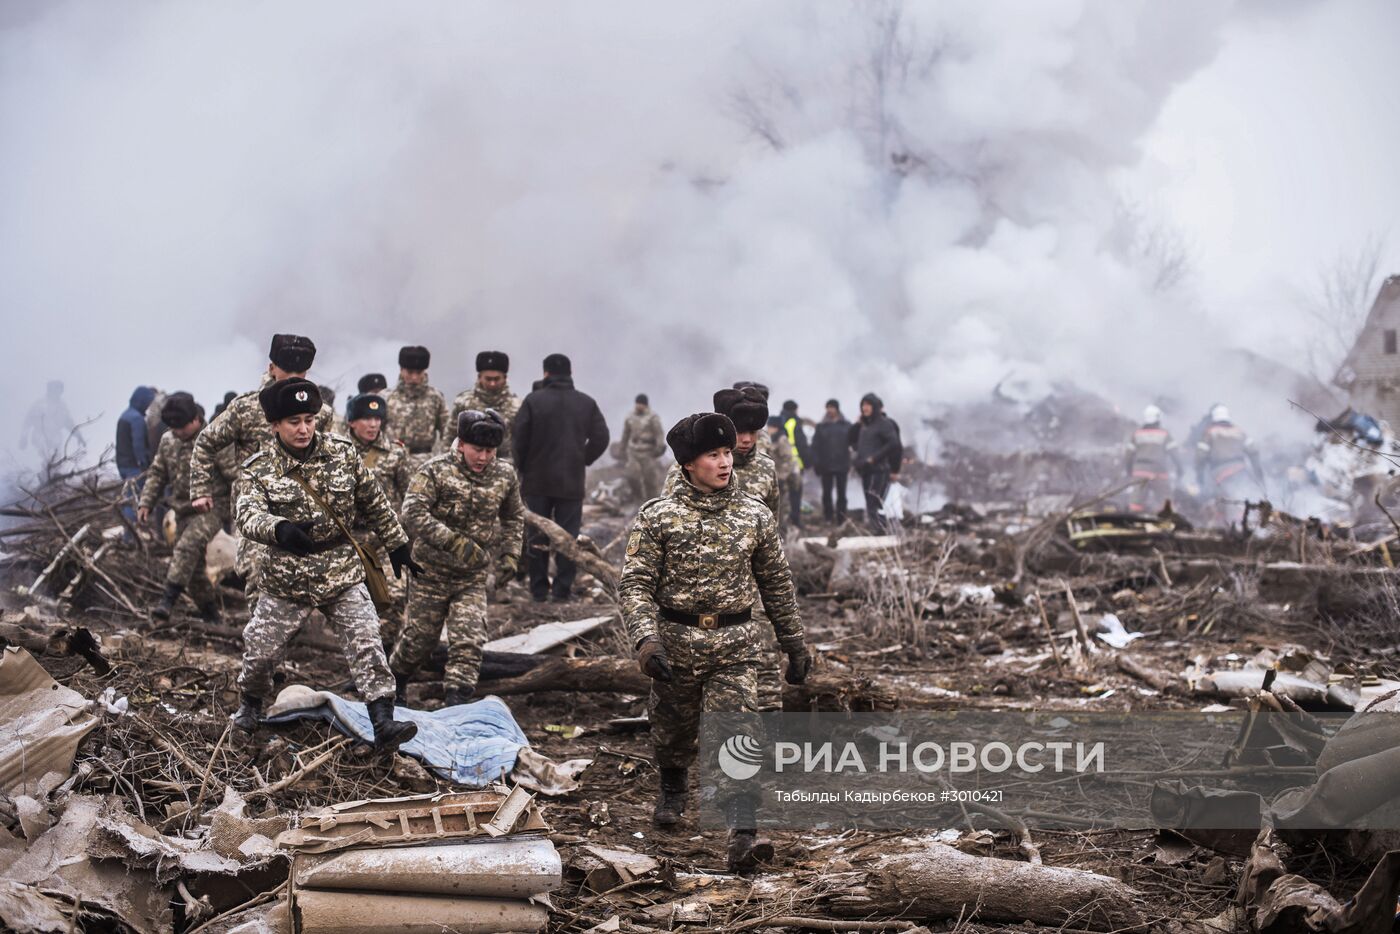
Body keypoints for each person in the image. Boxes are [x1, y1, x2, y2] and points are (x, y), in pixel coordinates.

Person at [620, 412, 811, 872]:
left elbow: (777, 586)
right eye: (714, 455)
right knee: (672, 729)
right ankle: (672, 786)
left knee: (738, 734)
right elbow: (635, 584)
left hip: (736, 646)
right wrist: (647, 641)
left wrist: (795, 644)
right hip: (675, 645)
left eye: (727, 453)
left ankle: (743, 833)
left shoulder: (754, 516)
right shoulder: (659, 516)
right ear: (688, 463)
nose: (725, 462)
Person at [230, 378, 421, 750]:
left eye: (309, 419)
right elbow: (246, 513)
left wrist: (397, 544)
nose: (303, 429)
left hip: (340, 572)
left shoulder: (342, 453)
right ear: (275, 426)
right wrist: (279, 528)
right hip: (286, 578)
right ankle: (250, 706)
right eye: (293, 422)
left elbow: (374, 501)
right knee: (261, 653)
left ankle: (383, 721)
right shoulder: (258, 468)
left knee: (367, 640)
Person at [391, 410, 525, 705]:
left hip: (472, 577)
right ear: (461, 443)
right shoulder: (434, 470)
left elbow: (514, 516)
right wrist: (454, 542)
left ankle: (456, 701)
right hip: (430, 574)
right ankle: (396, 680)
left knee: (469, 641)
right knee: (419, 642)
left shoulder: (504, 474)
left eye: (490, 451)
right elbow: (412, 512)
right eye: (478, 450)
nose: (484, 457)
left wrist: (510, 555)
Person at [189, 335, 334, 596]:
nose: (293, 377)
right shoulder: (246, 408)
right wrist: (200, 489)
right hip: (254, 508)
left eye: (300, 371)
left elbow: (329, 461)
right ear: (271, 368)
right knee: (258, 575)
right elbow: (206, 442)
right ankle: (261, 635)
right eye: (286, 370)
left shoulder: (319, 413)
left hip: (300, 508)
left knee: (305, 583)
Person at [513, 353, 610, 602]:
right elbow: (601, 437)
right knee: (568, 537)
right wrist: (583, 459)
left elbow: (518, 440)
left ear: (545, 374)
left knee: (537, 536)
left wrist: (523, 469)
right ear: (570, 373)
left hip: (537, 481)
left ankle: (538, 591)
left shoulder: (533, 401)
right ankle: (561, 590)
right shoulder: (586, 403)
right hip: (571, 481)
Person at [139, 394, 234, 623]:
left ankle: (166, 602)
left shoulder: (215, 439)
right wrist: (146, 502)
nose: (177, 432)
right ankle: (212, 618)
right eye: (173, 427)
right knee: (194, 571)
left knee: (186, 547)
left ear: (194, 420)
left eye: (181, 427)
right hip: (182, 509)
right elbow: (157, 473)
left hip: (213, 509)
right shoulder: (168, 440)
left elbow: (236, 476)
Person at [346, 393, 414, 648]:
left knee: (393, 597)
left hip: (385, 540)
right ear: (352, 422)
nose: (373, 424)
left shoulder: (395, 453)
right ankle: (361, 657)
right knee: (353, 603)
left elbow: (410, 495)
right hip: (349, 540)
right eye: (366, 418)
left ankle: (386, 657)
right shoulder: (336, 451)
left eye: (377, 418)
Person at [1196, 405, 1265, 516]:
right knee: (1245, 498)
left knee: (1225, 504)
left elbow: (1200, 457)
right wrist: (1259, 475)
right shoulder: (1239, 431)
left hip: (1220, 474)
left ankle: (1232, 526)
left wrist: (1199, 477)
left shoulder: (1209, 432)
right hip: (1241, 471)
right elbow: (1254, 452)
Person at [386, 345, 452, 463]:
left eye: (419, 372)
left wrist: (446, 459)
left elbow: (447, 432)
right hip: (392, 460)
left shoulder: (435, 397)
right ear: (401, 370)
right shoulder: (387, 398)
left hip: (425, 461)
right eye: (410, 372)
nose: (414, 377)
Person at [450, 352, 521, 461]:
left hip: (506, 464)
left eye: (496, 379)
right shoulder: (464, 402)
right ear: (479, 377)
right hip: (470, 464)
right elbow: (450, 435)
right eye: (488, 379)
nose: (492, 383)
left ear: (505, 378)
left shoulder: (516, 405)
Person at [848, 393, 901, 532]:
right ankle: (878, 530)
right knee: (871, 503)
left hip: (879, 469)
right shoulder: (865, 425)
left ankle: (880, 532)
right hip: (865, 469)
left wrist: (875, 458)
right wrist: (857, 424)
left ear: (875, 407)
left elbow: (894, 443)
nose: (865, 408)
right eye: (863, 405)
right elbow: (850, 439)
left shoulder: (884, 424)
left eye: (868, 405)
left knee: (874, 502)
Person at [1126, 405, 1182, 514]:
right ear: (1158, 418)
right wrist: (1180, 469)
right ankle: (1167, 522)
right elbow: (1175, 454)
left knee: (1136, 501)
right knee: (1165, 500)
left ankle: (1133, 521)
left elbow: (1128, 455)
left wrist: (1129, 470)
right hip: (1159, 471)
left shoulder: (1137, 434)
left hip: (1140, 471)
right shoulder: (1164, 434)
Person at [117, 386, 158, 528]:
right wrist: (145, 466)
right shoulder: (137, 419)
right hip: (134, 467)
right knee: (134, 500)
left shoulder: (125, 415)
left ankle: (131, 531)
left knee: (129, 498)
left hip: (123, 465)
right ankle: (133, 533)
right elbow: (139, 446)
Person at [20, 380, 80, 464]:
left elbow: (69, 423)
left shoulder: (62, 406)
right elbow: (27, 421)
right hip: (40, 435)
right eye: (55, 390)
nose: (57, 393)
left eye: (59, 391)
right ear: (49, 390)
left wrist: (79, 436)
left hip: (55, 436)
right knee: (44, 456)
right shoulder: (40, 404)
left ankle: (54, 474)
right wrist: (24, 437)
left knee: (57, 459)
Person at [620, 394, 666, 502]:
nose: (639, 406)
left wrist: (659, 448)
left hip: (648, 451)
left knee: (649, 479)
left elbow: (659, 433)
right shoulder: (630, 417)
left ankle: (652, 503)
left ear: (645, 405)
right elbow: (626, 433)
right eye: (637, 403)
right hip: (633, 450)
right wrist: (622, 448)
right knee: (632, 475)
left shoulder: (652, 417)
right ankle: (638, 500)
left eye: (641, 404)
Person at [812, 399, 852, 523]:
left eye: (832, 407)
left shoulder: (846, 425)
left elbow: (852, 443)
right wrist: (817, 463)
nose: (830, 410)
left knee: (842, 493)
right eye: (828, 407)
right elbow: (815, 446)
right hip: (826, 465)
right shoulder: (821, 426)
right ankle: (828, 516)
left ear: (837, 409)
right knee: (827, 493)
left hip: (842, 464)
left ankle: (841, 517)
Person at [778, 400, 811, 529]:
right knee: (796, 492)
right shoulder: (794, 422)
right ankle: (795, 520)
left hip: (780, 464)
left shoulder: (778, 421)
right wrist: (808, 462)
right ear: (795, 409)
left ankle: (782, 522)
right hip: (795, 463)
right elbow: (802, 444)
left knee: (781, 494)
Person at [766, 417, 797, 530]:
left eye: (769, 426)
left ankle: (782, 533)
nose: (767, 429)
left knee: (780, 508)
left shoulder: (782, 439)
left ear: (775, 427)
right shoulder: (771, 439)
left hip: (780, 479)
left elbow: (788, 460)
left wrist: (782, 477)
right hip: (773, 479)